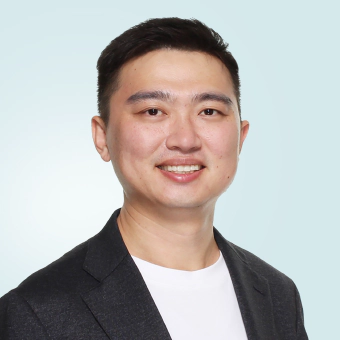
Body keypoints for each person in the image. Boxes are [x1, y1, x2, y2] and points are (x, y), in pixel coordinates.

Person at [0, 18, 308, 339]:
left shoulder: (278, 294)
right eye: (153, 111)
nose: (184, 139)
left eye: (209, 111)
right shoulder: (36, 313)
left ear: (240, 137)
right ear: (102, 137)